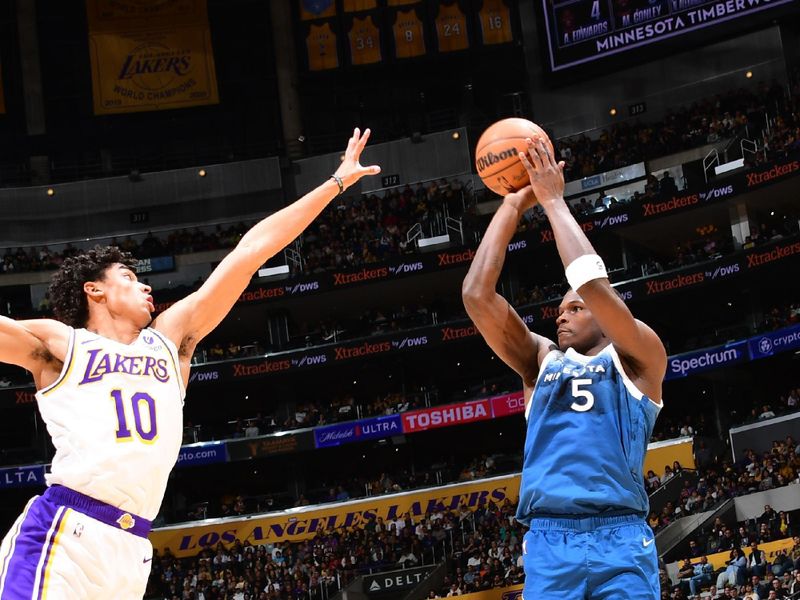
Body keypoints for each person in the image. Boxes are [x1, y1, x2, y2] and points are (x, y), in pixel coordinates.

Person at [0, 128, 380, 599]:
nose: (145, 287)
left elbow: (249, 254)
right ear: (94, 291)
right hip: (65, 532)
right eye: (128, 277)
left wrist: (335, 184)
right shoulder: (61, 343)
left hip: (133, 548)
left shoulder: (170, 341)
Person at [463, 136, 667, 599]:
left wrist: (553, 201)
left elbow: (591, 285)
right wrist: (513, 204)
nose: (562, 314)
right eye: (560, 310)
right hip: (550, 540)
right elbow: (477, 296)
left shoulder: (638, 356)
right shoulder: (540, 361)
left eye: (575, 309)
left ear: (606, 313)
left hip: (621, 535)